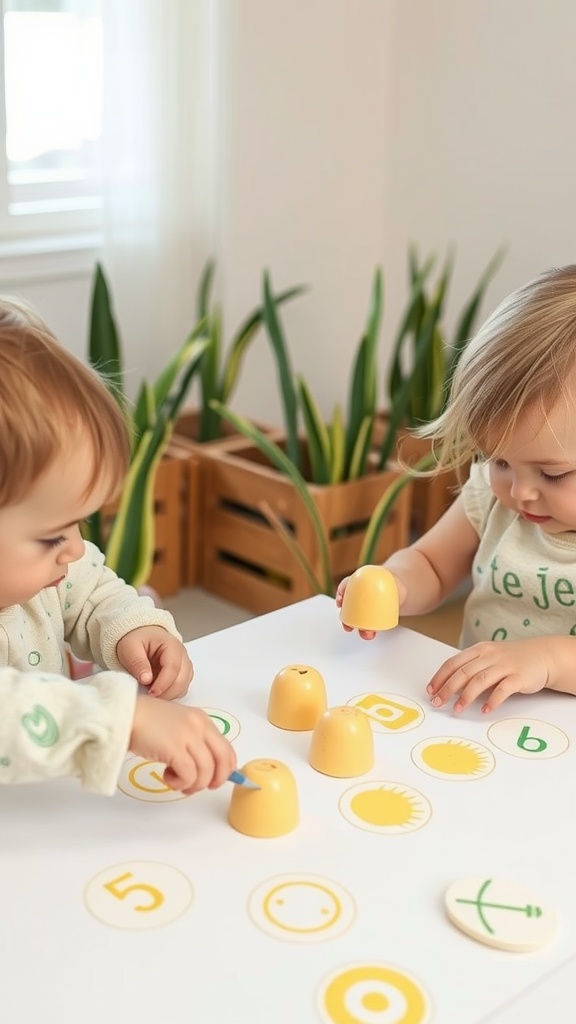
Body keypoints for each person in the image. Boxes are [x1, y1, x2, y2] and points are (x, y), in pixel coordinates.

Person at [0, 298, 236, 795]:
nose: (73, 549)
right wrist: (120, 721)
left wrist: (133, 627)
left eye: (77, 523)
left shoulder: (53, 567)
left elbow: (90, 592)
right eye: (51, 536)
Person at [337, 264, 576, 715]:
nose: (520, 492)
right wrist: (396, 584)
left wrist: (547, 659)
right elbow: (431, 563)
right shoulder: (492, 494)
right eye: (500, 460)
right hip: (480, 716)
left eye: (553, 474)